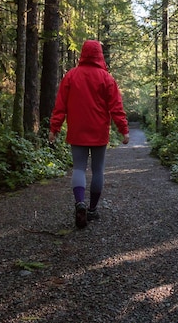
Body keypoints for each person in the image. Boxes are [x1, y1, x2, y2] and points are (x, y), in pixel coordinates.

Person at [48, 39, 129, 229]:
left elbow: (60, 106)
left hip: (77, 130)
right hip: (99, 131)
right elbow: (116, 108)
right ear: (100, 55)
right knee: (98, 170)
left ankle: (79, 203)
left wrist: (54, 129)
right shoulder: (107, 78)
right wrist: (123, 130)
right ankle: (92, 210)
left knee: (78, 168)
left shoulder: (71, 76)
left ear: (82, 54)